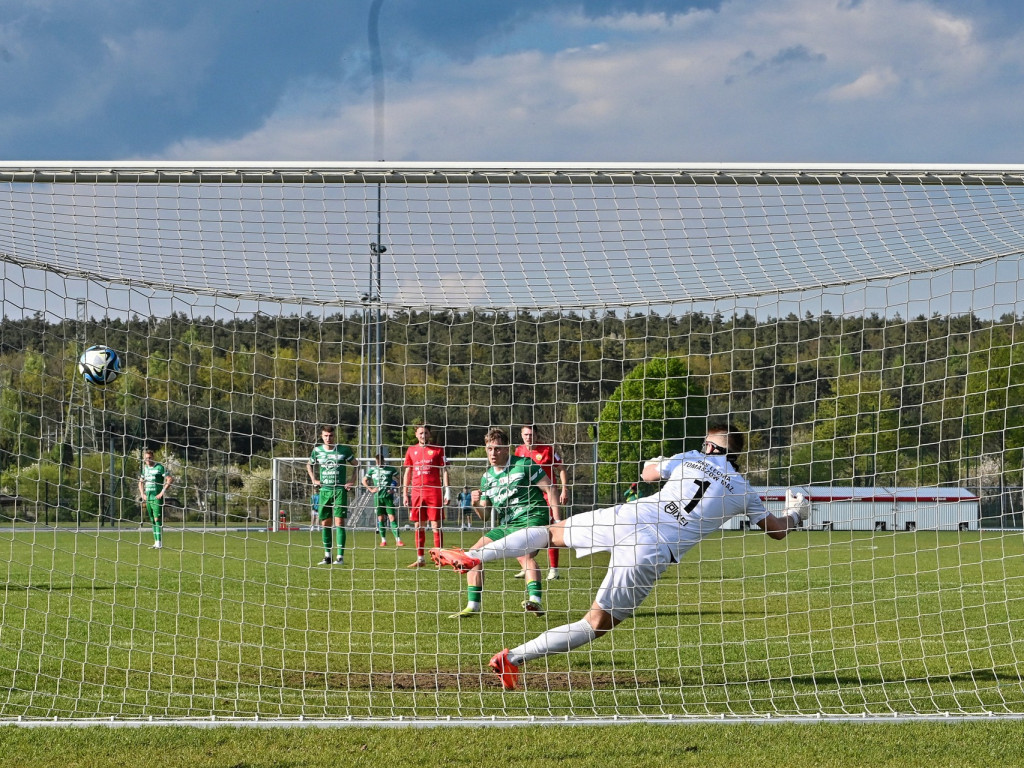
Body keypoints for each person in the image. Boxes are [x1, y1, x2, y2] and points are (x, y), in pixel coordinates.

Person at [430, 419, 809, 690]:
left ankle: (476, 557)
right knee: (595, 623)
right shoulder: (743, 488)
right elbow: (776, 532)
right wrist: (797, 513)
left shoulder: (689, 457)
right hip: (653, 549)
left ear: (710, 446)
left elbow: (646, 475)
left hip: (630, 516)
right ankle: (512, 659)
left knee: (549, 534)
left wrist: (657, 462)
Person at [447, 428, 559, 619]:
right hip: (507, 525)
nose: (493, 453)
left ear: (507, 449)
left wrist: (557, 521)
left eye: (497, 449)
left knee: (525, 554)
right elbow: (484, 515)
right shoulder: (487, 478)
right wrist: (475, 504)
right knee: (472, 555)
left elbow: (551, 489)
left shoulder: (524, 464)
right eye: (489, 449)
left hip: (533, 518)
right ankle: (472, 606)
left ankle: (535, 601)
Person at [514, 424, 569, 580]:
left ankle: (554, 569)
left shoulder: (547, 450)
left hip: (547, 497)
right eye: (526, 434)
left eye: (531, 434)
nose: (528, 437)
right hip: (529, 498)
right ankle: (526, 565)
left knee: (551, 530)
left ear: (536, 435)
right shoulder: (519, 451)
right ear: (521, 435)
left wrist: (564, 489)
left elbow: (562, 469)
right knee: (525, 530)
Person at [306, 425, 358, 565]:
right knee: (325, 523)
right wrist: (313, 479)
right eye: (326, 436)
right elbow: (309, 465)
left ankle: (340, 557)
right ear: (322, 436)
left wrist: (351, 481)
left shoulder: (343, 450)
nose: (328, 438)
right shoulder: (317, 451)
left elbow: (357, 465)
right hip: (324, 491)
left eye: (331, 436)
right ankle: (327, 556)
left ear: (334, 436)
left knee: (339, 522)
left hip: (339, 490)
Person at [402, 423, 451, 567]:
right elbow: (408, 473)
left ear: (430, 434)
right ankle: (420, 559)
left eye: (426, 433)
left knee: (436, 525)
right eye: (421, 433)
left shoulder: (438, 450)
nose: (423, 436)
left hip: (433, 492)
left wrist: (447, 490)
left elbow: (445, 470)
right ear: (416, 435)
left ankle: (439, 558)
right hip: (417, 493)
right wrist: (405, 493)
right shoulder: (411, 450)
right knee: (418, 525)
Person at [363, 452, 404, 547]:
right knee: (380, 518)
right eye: (377, 462)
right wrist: (371, 489)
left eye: (380, 461)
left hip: (388, 497)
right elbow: (363, 480)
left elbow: (400, 479)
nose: (379, 463)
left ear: (383, 461)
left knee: (392, 518)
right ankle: (383, 540)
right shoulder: (372, 470)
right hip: (378, 497)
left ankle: (398, 540)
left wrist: (394, 489)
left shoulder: (391, 469)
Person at [138, 448, 173, 549]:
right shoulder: (145, 469)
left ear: (153, 457)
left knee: (157, 518)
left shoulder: (159, 467)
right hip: (148, 497)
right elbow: (140, 482)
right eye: (146, 458)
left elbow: (170, 479)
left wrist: (162, 492)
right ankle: (155, 542)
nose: (148, 460)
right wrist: (142, 494)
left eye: (149, 458)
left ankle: (159, 543)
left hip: (157, 497)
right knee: (152, 519)